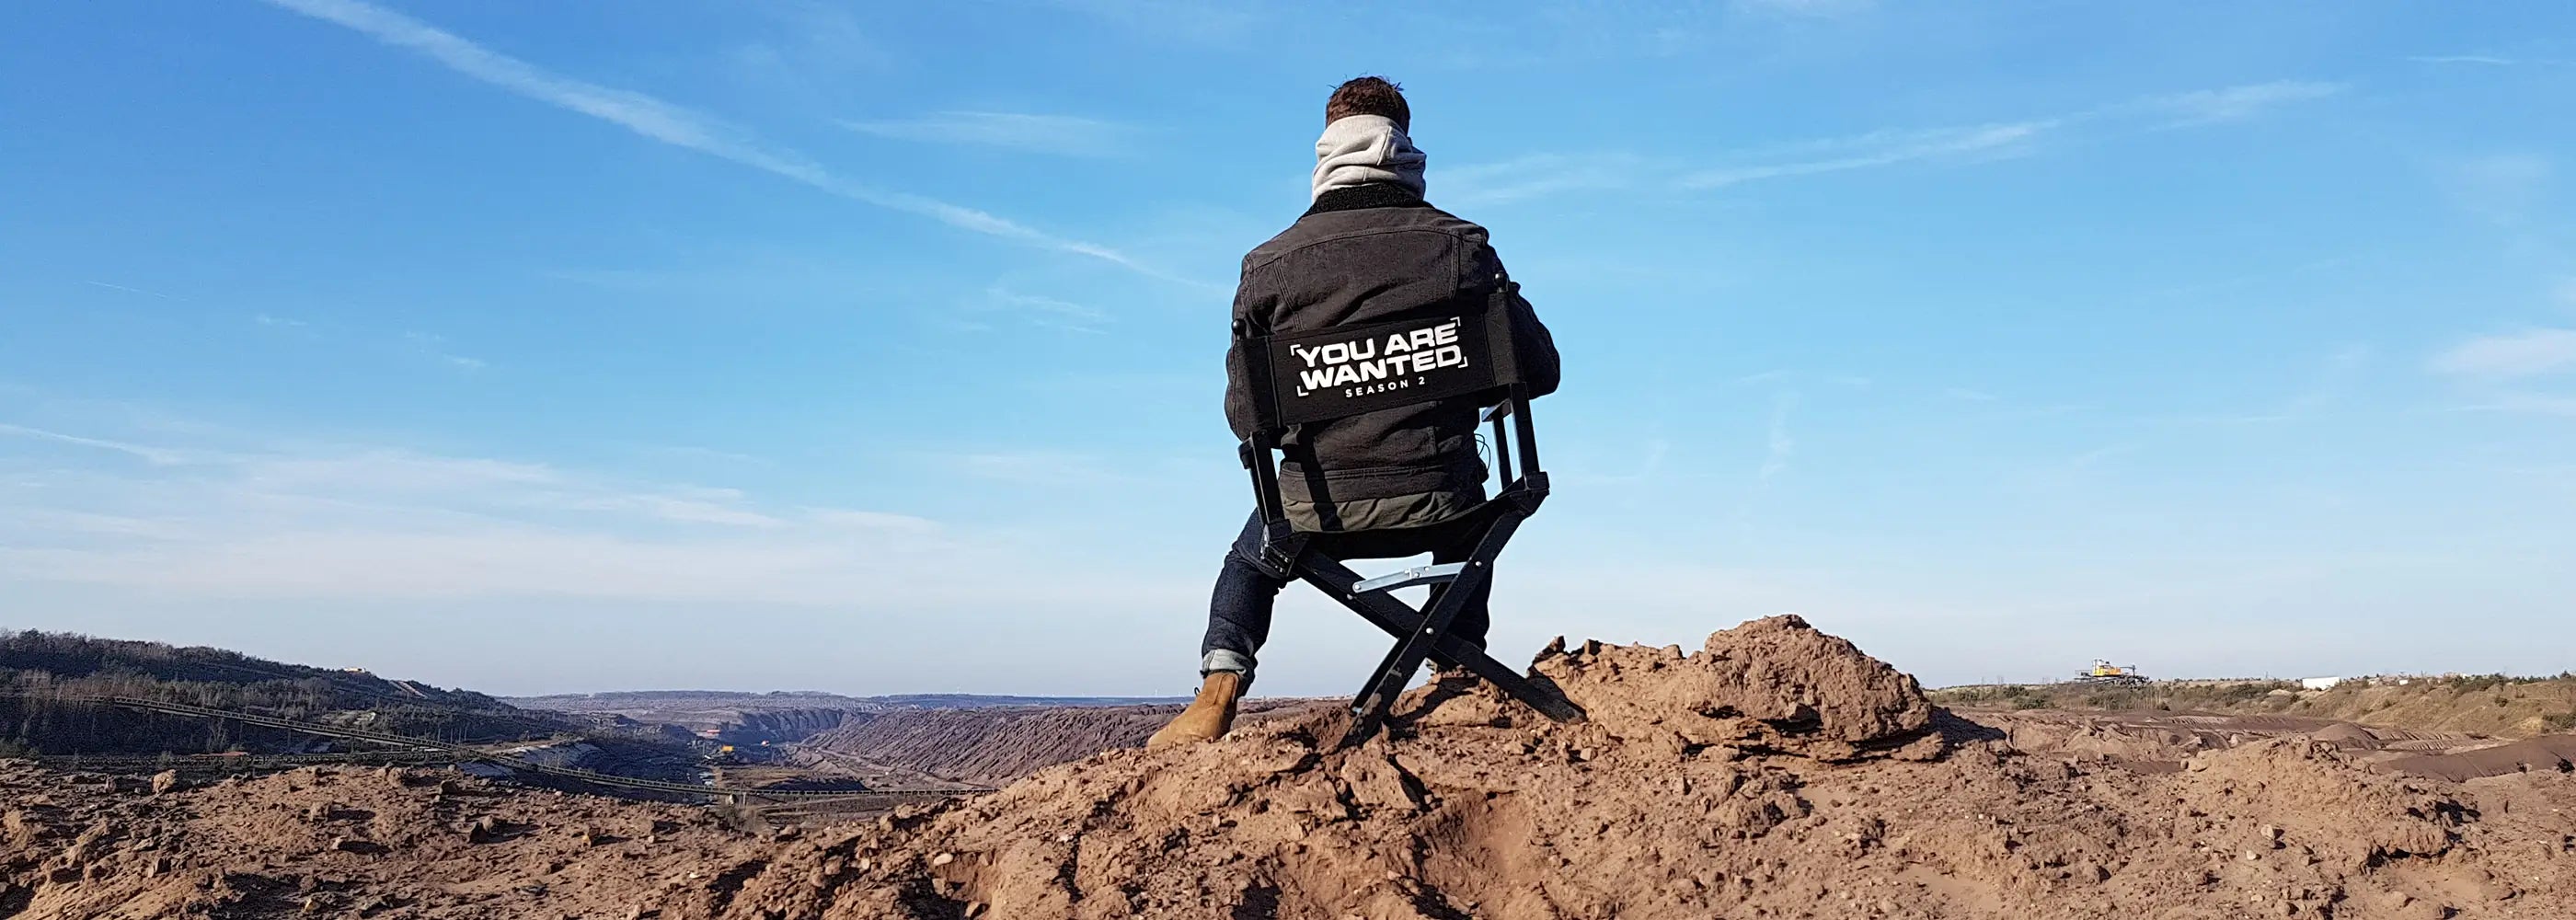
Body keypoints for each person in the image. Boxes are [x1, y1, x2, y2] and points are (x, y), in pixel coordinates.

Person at [1148, 76, 1561, 749]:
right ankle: (1455, 663)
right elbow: (1538, 371)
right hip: (1447, 498)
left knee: (1249, 562)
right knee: (1465, 515)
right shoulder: (1463, 247)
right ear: (1405, 147)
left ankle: (1219, 687)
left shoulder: (1269, 266)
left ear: (1324, 154)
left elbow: (1246, 418)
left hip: (1318, 512)